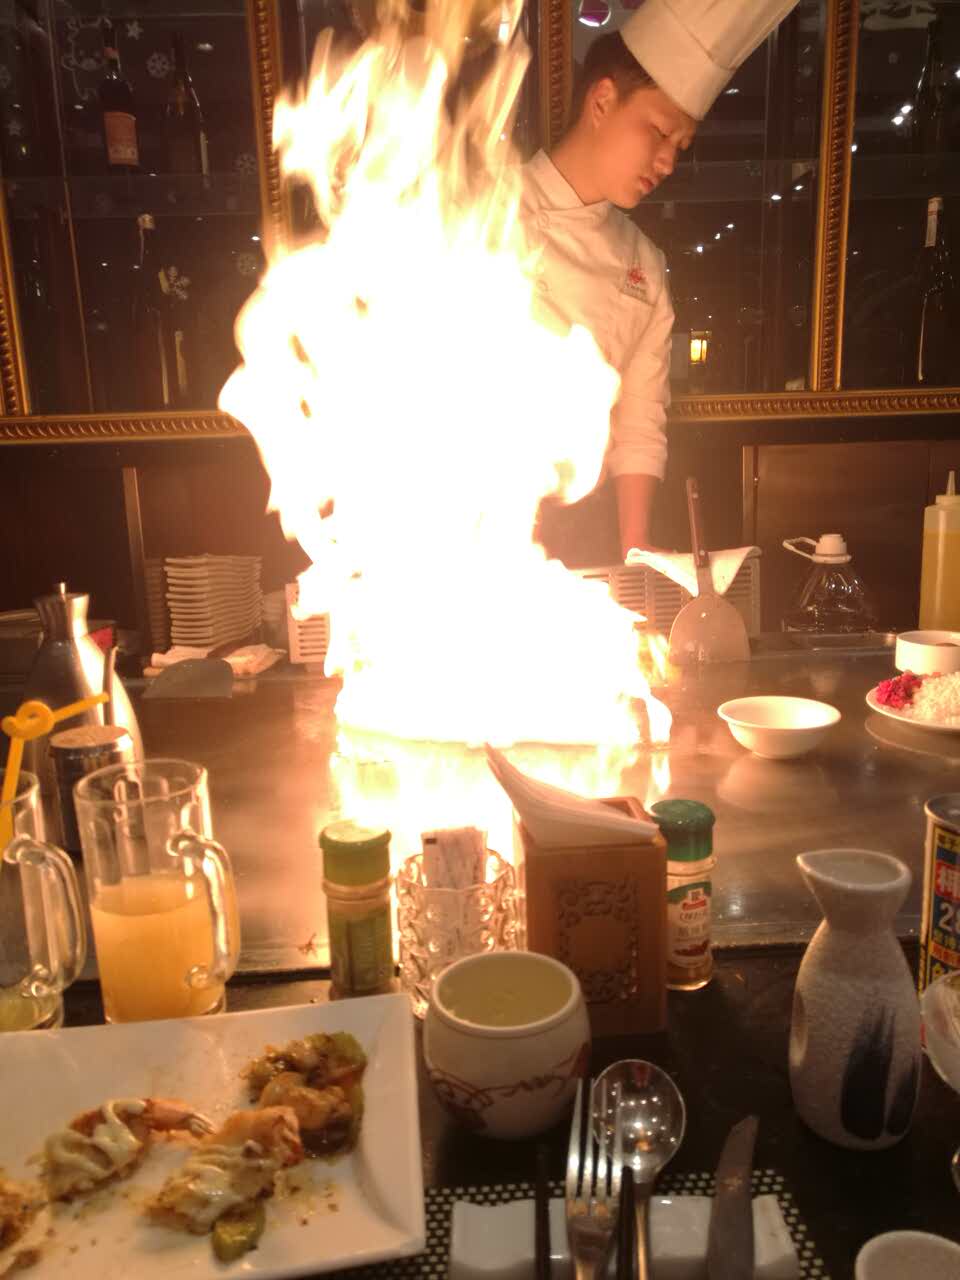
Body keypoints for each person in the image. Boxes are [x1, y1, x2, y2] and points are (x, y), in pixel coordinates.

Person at [523, 0, 799, 562]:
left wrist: (636, 550)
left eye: (680, 147)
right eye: (659, 131)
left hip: (580, 527)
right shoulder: (481, 215)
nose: (668, 161)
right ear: (602, 101)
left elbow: (640, 421)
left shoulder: (644, 264)